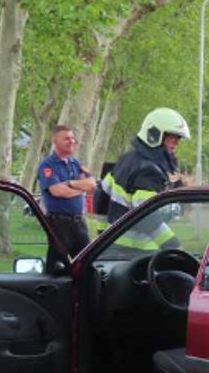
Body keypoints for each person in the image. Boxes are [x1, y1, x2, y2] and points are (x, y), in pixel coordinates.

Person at [101, 107, 191, 224]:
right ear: (154, 135)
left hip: (112, 236)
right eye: (172, 137)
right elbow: (149, 218)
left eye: (178, 138)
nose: (177, 142)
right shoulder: (148, 171)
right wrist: (180, 206)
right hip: (133, 240)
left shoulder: (128, 159)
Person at [37, 125, 97, 262]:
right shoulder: (47, 165)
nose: (72, 142)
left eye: (73, 138)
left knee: (86, 262)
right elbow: (57, 191)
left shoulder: (75, 163)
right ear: (55, 141)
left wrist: (70, 183)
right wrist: (81, 188)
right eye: (67, 139)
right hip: (59, 224)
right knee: (58, 265)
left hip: (79, 222)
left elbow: (92, 185)